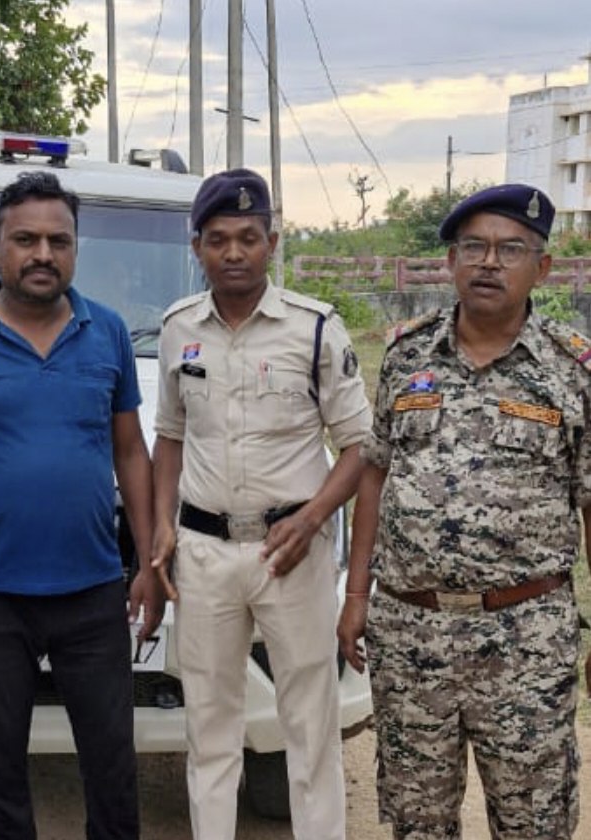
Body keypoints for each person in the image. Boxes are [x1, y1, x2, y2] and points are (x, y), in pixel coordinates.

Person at [0, 170, 164, 840]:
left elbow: (130, 452)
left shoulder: (108, 332)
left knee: (112, 765)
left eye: (59, 241)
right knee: (0, 770)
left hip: (94, 592)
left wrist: (148, 563)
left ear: (76, 249)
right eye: (26, 239)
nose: (43, 254)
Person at [338, 184, 588, 840]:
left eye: (511, 249)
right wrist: (357, 596)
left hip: (526, 639)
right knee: (418, 823)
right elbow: (375, 474)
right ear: (450, 261)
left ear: (543, 267)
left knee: (534, 823)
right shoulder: (406, 355)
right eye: (473, 247)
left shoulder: (572, 371)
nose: (489, 262)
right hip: (410, 633)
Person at [150, 168, 371, 840]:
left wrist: (313, 518)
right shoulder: (178, 328)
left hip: (291, 552)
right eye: (218, 239)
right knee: (209, 724)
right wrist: (161, 526)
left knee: (309, 722)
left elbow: (360, 446)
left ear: (272, 242)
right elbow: (169, 437)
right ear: (197, 247)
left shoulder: (315, 329)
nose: (234, 253)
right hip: (205, 553)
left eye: (248, 238)